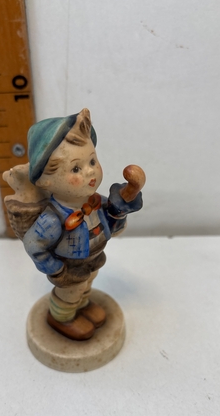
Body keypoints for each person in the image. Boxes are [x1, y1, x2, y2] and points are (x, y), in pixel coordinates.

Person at [23, 108, 143, 340]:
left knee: (87, 284)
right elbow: (33, 245)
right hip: (69, 265)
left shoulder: (98, 202)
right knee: (70, 292)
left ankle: (82, 305)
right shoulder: (52, 219)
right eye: (76, 168)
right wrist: (55, 268)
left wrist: (119, 213)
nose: (90, 172)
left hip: (93, 257)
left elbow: (113, 228)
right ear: (45, 181)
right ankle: (62, 317)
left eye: (92, 161)